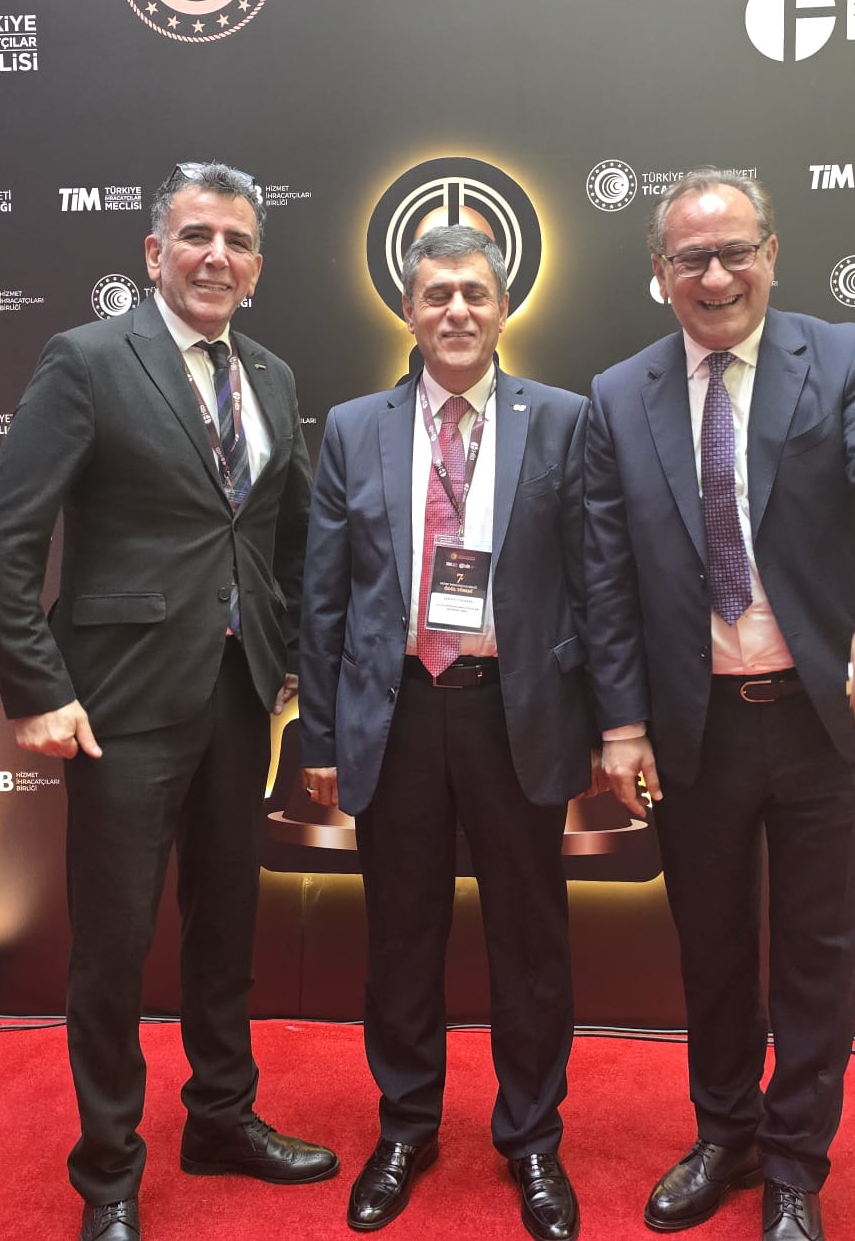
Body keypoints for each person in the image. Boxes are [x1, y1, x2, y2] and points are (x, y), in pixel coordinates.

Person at [0, 162, 335, 1241]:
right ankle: (109, 1173)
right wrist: (38, 689)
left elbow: (289, 534)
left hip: (239, 697)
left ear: (258, 266)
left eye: (237, 241)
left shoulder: (270, 375)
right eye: (196, 235)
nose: (216, 255)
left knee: (227, 926)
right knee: (115, 944)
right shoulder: (87, 360)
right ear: (153, 252)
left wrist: (292, 659)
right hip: (118, 705)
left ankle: (220, 1117)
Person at [583, 170, 855, 1241]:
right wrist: (620, 724)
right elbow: (605, 577)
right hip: (690, 727)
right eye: (690, 258)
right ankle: (726, 1135)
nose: (715, 276)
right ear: (660, 273)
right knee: (709, 950)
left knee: (816, 955)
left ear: (771, 255)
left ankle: (794, 1163)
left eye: (734, 251)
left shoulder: (839, 357)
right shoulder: (618, 394)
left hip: (818, 721)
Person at [298, 225, 595, 1240]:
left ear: (503, 307)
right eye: (436, 294)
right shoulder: (353, 428)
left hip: (518, 711)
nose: (456, 310)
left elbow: (596, 581)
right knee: (400, 933)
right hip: (398, 713)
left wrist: (608, 721)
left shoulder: (562, 420)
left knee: (530, 938)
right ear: (408, 310)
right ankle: (405, 1128)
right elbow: (324, 598)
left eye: (474, 292)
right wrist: (319, 740)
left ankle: (532, 1139)